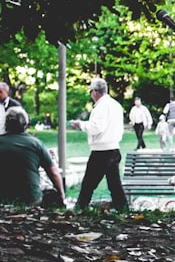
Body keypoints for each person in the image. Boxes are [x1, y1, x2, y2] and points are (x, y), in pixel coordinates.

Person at [71, 78, 127, 212]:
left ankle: (80, 208)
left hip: (101, 150)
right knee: (114, 185)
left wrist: (81, 125)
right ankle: (123, 208)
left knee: (88, 183)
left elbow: (97, 128)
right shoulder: (116, 105)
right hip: (114, 148)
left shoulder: (101, 106)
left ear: (95, 92)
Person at [0, 107, 64, 207]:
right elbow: (53, 173)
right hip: (31, 199)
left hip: (2, 200)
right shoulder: (36, 144)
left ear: (5, 124)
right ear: (25, 123)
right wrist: (61, 195)